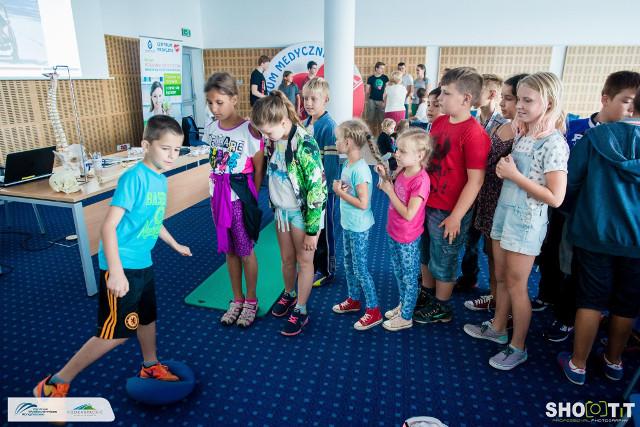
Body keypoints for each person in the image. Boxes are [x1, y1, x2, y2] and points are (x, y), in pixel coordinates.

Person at [33, 116, 192, 398]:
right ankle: (54, 383)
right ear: (146, 145)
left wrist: (175, 243)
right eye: (165, 148)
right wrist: (116, 272)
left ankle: (150, 366)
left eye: (177, 149)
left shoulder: (159, 179)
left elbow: (154, 220)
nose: (172, 155)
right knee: (115, 334)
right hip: (122, 264)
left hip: (142, 262)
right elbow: (108, 227)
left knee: (147, 318)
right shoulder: (134, 178)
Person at [464, 72, 569, 371]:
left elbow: (555, 197)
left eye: (527, 100)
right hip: (504, 213)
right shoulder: (523, 134)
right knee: (500, 277)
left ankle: (518, 346)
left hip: (525, 222)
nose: (520, 105)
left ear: (548, 103)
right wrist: (504, 171)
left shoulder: (553, 143)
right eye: (518, 99)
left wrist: (513, 175)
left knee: (517, 285)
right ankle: (498, 328)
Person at [537, 71, 640, 342]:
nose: (630, 107)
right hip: (574, 214)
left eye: (634, 102)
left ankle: (579, 345)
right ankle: (558, 309)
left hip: (596, 223)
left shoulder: (605, 138)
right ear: (605, 99)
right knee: (562, 265)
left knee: (594, 289)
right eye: (626, 100)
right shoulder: (576, 128)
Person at [557, 87, 640, 385]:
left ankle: (578, 364)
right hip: (637, 240)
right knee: (627, 303)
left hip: (594, 231)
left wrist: (574, 213)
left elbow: (570, 184)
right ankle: (613, 361)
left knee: (590, 299)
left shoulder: (596, 137)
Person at [413, 67, 490, 324]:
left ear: (466, 99)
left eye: (446, 93)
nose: (440, 98)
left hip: (450, 210)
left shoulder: (474, 133)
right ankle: (427, 292)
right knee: (425, 252)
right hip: (428, 201)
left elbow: (476, 181)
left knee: (445, 257)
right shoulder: (440, 122)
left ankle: (442, 306)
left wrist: (457, 216)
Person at [251, 91, 327, 336]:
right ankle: (289, 293)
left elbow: (317, 189)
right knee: (286, 259)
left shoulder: (305, 143)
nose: (265, 137)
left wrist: (313, 231)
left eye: (267, 132)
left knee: (305, 261)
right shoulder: (275, 139)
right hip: (282, 212)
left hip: (303, 215)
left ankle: (301, 310)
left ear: (283, 122)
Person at [204, 72, 265, 327]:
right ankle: (237, 298)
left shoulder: (249, 131)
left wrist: (252, 199)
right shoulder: (210, 128)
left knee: (245, 249)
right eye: (210, 102)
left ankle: (251, 299)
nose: (214, 108)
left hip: (239, 198)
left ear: (235, 99)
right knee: (229, 250)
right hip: (217, 197)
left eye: (219, 102)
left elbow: (259, 168)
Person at [464, 74, 529, 313]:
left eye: (509, 98)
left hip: (505, 200)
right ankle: (494, 299)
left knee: (506, 268)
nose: (504, 103)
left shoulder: (525, 133)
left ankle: (503, 310)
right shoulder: (506, 126)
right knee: (491, 254)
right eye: (504, 97)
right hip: (489, 197)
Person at [456, 73, 508, 292]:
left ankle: (496, 292)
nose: (472, 95)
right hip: (471, 188)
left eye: (478, 92)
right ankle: (469, 277)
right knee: (469, 238)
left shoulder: (504, 125)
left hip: (491, 192)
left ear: (492, 94)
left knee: (490, 244)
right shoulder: (473, 119)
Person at [376, 128, 432, 331]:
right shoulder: (402, 169)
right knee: (399, 273)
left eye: (402, 151)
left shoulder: (421, 180)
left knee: (409, 277)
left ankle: (407, 316)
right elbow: (394, 189)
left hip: (407, 237)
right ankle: (404, 305)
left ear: (419, 155)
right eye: (397, 149)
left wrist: (389, 191)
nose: (396, 153)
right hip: (394, 231)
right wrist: (385, 177)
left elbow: (409, 214)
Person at [331, 119, 382, 330]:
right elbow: (350, 190)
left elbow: (363, 203)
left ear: (348, 142)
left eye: (338, 139)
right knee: (349, 264)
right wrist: (343, 188)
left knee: (361, 269)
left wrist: (340, 192)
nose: (336, 142)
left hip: (359, 227)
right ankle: (353, 299)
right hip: (348, 223)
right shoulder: (347, 164)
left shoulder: (360, 170)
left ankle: (374, 310)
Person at [302, 78, 339, 287]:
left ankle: (327, 270)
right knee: (311, 228)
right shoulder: (306, 123)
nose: (308, 103)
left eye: (313, 99)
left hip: (324, 192)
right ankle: (313, 265)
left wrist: (325, 192)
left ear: (325, 99)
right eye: (305, 98)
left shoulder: (329, 127)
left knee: (325, 232)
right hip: (308, 190)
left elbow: (331, 165)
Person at [365, 62, 389, 132]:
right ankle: (369, 133)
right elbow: (367, 90)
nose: (383, 70)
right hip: (372, 100)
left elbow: (388, 89)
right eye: (381, 68)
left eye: (383, 68)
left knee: (381, 119)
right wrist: (366, 100)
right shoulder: (371, 78)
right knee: (370, 118)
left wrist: (385, 101)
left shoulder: (385, 78)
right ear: (376, 68)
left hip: (381, 101)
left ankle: (381, 134)